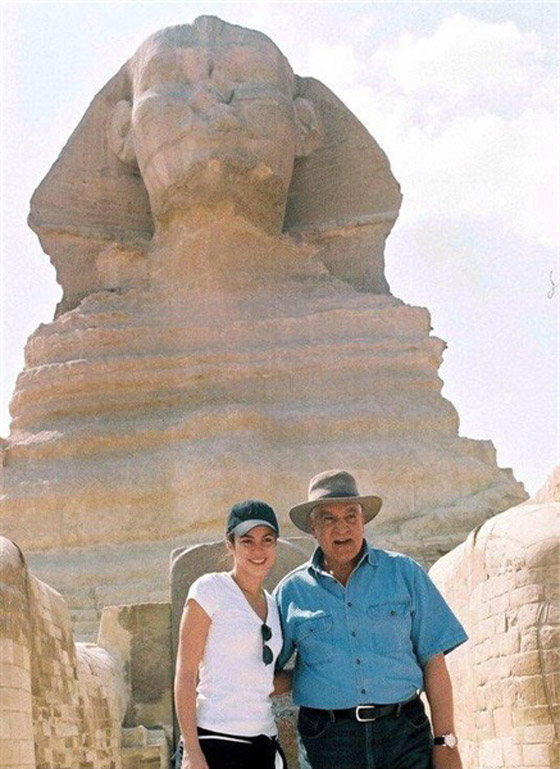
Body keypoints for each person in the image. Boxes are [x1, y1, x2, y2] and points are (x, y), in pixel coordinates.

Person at [274, 469, 468, 769]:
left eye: (351, 516)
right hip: (327, 743)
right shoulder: (290, 592)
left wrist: (446, 741)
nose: (342, 528)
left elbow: (433, 660)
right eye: (329, 518)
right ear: (313, 527)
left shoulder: (405, 573)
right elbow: (263, 671)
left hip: (405, 734)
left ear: (363, 521)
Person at [174, 499, 289, 769]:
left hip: (264, 743)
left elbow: (259, 680)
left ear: (275, 545)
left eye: (267, 540)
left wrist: (311, 673)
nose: (258, 549)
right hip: (215, 741)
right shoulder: (210, 589)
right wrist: (192, 751)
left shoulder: (273, 604)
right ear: (230, 545)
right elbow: (186, 673)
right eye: (247, 541)